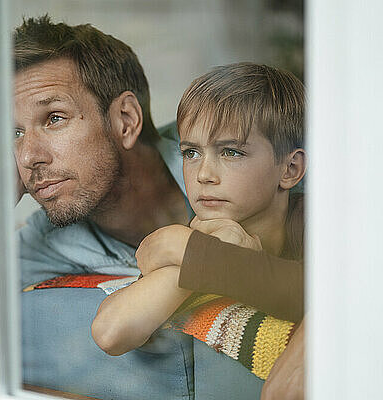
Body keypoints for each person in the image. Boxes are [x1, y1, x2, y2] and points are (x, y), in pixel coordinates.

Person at [0, 17, 298, 399]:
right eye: (13, 133)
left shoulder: (245, 164)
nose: (29, 156)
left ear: (125, 120)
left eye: (53, 119)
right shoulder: (48, 239)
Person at [91, 63, 306, 398]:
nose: (204, 174)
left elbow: (333, 294)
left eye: (231, 152)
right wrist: (202, 251)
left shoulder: (322, 223)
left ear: (290, 169)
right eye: (191, 153)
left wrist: (191, 252)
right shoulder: (203, 234)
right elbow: (111, 332)